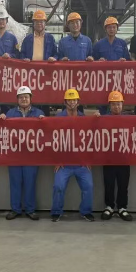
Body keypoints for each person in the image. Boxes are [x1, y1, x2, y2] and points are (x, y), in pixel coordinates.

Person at [96, 91, 136, 222]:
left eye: (118, 104)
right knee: (109, 183)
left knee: (123, 184)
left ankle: (122, 208)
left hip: (124, 157)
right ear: (109, 105)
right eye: (113, 104)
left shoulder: (129, 118)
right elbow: (94, 129)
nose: (116, 107)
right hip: (108, 158)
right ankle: (109, 207)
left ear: (122, 104)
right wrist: (96, 118)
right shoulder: (104, 118)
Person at [0, 86, 45, 221]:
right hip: (14, 155)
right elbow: (1, 129)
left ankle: (30, 210)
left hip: (32, 155)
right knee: (15, 182)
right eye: (21, 97)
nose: (24, 99)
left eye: (26, 97)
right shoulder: (10, 113)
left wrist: (44, 121)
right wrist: (1, 118)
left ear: (31, 98)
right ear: (17, 99)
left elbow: (46, 131)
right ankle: (15, 209)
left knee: (30, 183)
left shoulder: (38, 113)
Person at [50, 89, 94, 222]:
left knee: (88, 186)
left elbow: (89, 140)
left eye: (74, 100)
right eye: (69, 100)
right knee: (58, 186)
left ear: (78, 102)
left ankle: (86, 211)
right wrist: (57, 161)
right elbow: (53, 140)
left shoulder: (84, 119)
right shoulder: (58, 119)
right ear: (65, 102)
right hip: (64, 163)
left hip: (81, 163)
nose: (72, 102)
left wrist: (88, 160)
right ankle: (56, 211)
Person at [93, 16, 130, 114]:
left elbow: (128, 60)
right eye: (109, 27)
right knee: (102, 102)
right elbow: (92, 61)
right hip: (103, 80)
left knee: (116, 102)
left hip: (118, 79)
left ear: (117, 29)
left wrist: (124, 61)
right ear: (105, 29)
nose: (112, 29)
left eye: (114, 27)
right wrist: (98, 61)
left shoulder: (122, 44)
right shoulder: (99, 44)